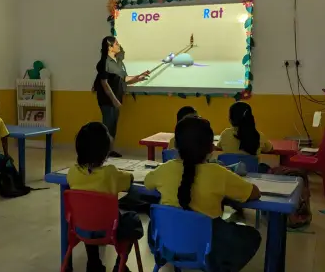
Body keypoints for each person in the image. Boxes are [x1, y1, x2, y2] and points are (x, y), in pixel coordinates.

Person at [145, 116, 261, 271]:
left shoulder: (164, 170)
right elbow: (254, 193)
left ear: (176, 146)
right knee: (251, 236)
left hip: (167, 245)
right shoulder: (218, 173)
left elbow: (147, 183)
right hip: (207, 249)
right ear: (211, 148)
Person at [67, 122, 144, 272]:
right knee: (132, 219)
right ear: (105, 150)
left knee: (89, 214)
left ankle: (93, 263)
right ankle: (119, 264)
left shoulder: (72, 172)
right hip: (109, 230)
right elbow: (129, 180)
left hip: (80, 228)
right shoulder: (110, 173)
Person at [93, 36, 150, 157]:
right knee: (108, 126)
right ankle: (103, 152)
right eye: (116, 44)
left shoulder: (117, 63)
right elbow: (104, 83)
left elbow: (124, 79)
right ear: (110, 47)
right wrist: (114, 100)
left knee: (113, 126)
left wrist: (139, 77)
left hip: (116, 99)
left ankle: (110, 150)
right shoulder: (104, 63)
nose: (119, 46)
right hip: (107, 100)